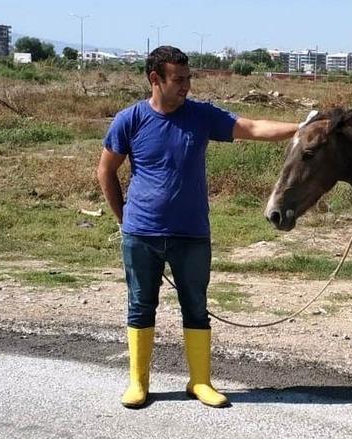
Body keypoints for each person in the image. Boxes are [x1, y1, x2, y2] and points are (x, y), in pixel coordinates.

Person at [97, 46, 301, 409]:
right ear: (155, 79)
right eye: (178, 80)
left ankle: (201, 382)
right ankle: (138, 384)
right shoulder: (130, 119)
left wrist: (301, 128)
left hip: (192, 234)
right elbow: (106, 170)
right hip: (142, 233)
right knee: (141, 306)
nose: (186, 86)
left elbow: (252, 127)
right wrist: (123, 217)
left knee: (196, 307)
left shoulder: (202, 116)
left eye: (189, 79)